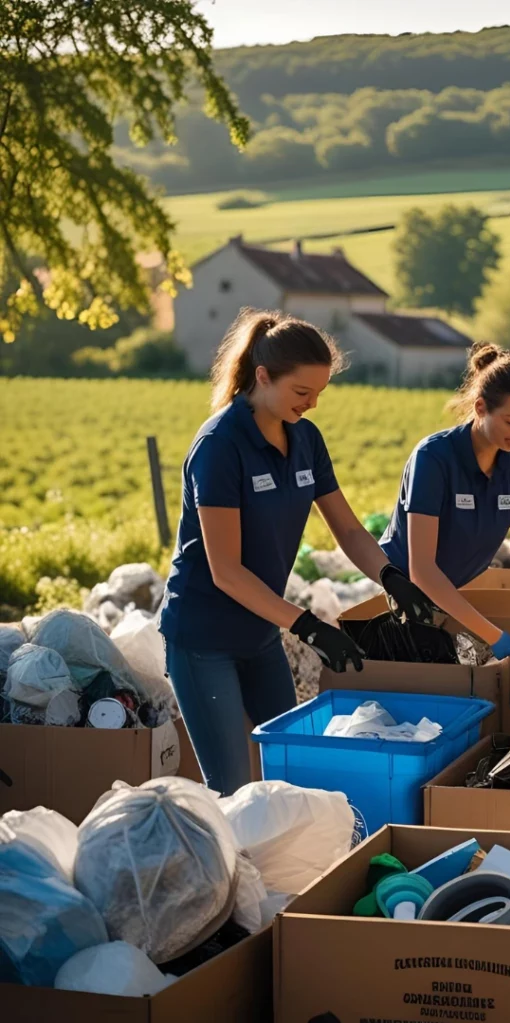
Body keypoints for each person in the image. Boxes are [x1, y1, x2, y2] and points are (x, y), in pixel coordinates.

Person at [159, 308, 432, 794]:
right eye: (301, 392)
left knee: (292, 775)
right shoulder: (220, 447)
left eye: (319, 393)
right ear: (262, 377)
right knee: (232, 784)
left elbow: (347, 530)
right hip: (203, 638)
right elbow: (225, 571)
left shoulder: (305, 439)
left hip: (261, 634)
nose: (311, 404)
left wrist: (392, 578)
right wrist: (308, 627)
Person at [380, 342, 510, 660]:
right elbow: (421, 569)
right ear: (481, 408)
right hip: (404, 601)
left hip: (454, 596)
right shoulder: (434, 458)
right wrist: (493, 635)